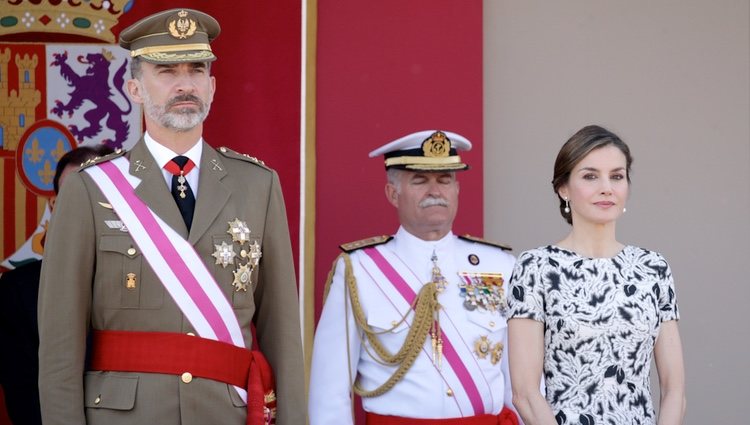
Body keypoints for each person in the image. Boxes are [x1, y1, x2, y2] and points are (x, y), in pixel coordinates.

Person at [37, 8, 305, 425]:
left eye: (196, 70)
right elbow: (59, 348)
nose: (185, 84)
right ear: (135, 88)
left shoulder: (259, 185)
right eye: (166, 70)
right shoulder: (91, 189)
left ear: (212, 87)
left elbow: (282, 335)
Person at [309, 130, 521, 424]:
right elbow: (329, 389)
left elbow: (520, 382)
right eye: (420, 180)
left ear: (457, 189)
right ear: (393, 194)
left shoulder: (500, 266)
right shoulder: (359, 269)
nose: (435, 191)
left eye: (445, 180)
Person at [507, 125, 686, 425]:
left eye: (617, 176)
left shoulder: (653, 268)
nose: (607, 187)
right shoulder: (535, 267)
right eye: (590, 176)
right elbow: (524, 393)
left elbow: (674, 391)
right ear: (563, 188)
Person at [0, 145, 113, 425]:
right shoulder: (17, 291)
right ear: (54, 206)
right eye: (74, 196)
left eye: (97, 194)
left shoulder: (156, 281)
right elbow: (25, 398)